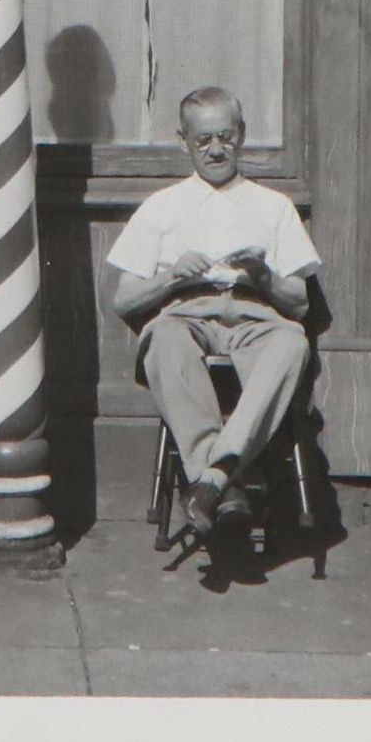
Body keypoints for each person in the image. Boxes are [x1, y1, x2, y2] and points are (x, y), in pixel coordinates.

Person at [106, 86, 320, 539]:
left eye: (226, 136)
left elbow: (300, 303)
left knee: (292, 343)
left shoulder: (273, 207)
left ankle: (210, 480)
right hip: (187, 312)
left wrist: (263, 276)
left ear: (241, 135)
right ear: (183, 140)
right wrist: (171, 278)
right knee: (162, 339)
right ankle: (228, 477)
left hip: (257, 315)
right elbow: (124, 301)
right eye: (203, 140)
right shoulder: (162, 207)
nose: (216, 150)